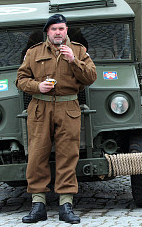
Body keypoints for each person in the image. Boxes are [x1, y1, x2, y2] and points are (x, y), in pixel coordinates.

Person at [16, 14, 97, 224]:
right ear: (48, 32)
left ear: (66, 30)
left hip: (68, 106)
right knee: (37, 155)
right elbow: (20, 79)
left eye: (61, 28)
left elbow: (91, 77)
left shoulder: (78, 51)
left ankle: (66, 205)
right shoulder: (33, 53)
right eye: (54, 29)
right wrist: (37, 87)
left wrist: (73, 60)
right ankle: (38, 204)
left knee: (67, 155)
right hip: (40, 108)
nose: (58, 32)